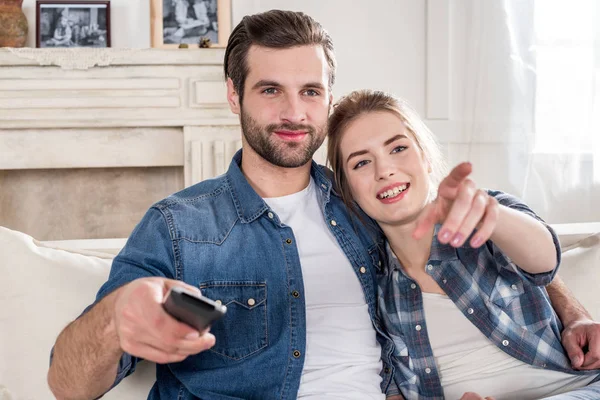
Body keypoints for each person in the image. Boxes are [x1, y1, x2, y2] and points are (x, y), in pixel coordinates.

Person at [47, 9, 598, 400]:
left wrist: (572, 309)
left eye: (311, 91)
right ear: (234, 95)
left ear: (328, 100)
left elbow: (489, 249)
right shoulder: (178, 226)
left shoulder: (365, 199)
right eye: (270, 90)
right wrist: (115, 320)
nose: (294, 112)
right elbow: (67, 386)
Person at [326, 89, 600, 400]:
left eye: (398, 148)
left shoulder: (487, 211)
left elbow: (545, 261)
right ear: (348, 189)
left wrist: (490, 216)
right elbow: (392, 387)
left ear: (425, 157)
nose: (385, 170)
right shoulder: (374, 289)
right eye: (361, 163)